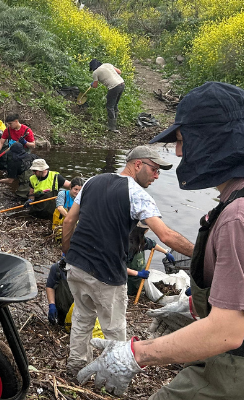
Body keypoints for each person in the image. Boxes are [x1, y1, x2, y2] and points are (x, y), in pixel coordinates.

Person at [75, 82, 244, 400]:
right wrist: (193, 306)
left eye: (181, 140)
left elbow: (226, 332)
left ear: (212, 137)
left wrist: (137, 354)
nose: (178, 152)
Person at [60, 146, 195, 375]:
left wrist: (67, 251)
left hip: (76, 265)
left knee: (83, 318)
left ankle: (76, 365)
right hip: (106, 274)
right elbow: (166, 235)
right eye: (154, 169)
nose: (157, 176)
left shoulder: (93, 181)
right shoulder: (138, 195)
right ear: (138, 164)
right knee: (114, 330)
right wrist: (203, 253)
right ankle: (114, 373)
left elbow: (69, 220)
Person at [124, 221, 175, 298]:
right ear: (143, 230)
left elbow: (152, 244)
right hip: (128, 284)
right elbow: (119, 268)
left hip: (140, 281)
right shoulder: (127, 245)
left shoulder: (140, 239)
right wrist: (138, 273)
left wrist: (166, 252)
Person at [89, 59, 124, 132]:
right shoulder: (107, 64)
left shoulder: (95, 72)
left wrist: (92, 84)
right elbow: (119, 72)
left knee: (109, 106)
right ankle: (115, 123)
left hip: (114, 87)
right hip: (121, 84)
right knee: (115, 105)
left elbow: (95, 86)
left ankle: (112, 127)